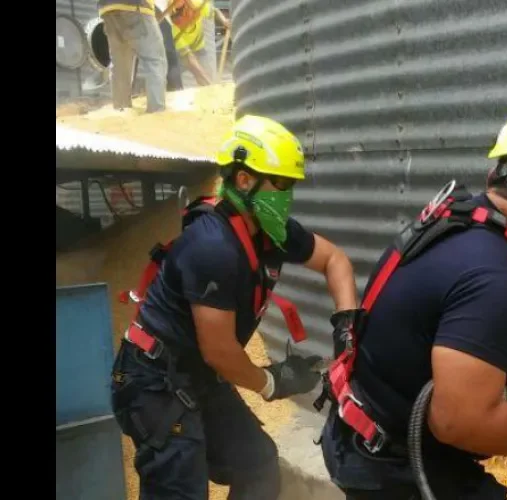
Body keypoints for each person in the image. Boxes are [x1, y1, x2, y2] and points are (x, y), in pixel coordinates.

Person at [318, 102, 507, 499]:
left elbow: (420, 326)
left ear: (495, 172)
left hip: (356, 435)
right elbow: (458, 423)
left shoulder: (450, 220)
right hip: (391, 469)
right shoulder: (496, 276)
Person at [110, 114, 359, 500]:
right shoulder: (213, 247)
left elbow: (335, 260)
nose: (288, 194)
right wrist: (272, 382)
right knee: (182, 491)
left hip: (198, 375)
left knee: (258, 463)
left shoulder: (270, 230)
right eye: (282, 184)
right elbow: (219, 350)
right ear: (244, 180)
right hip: (154, 379)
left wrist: (346, 326)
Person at [97, 0, 168, 112]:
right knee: (154, 61)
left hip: (107, 9)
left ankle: (121, 109)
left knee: (120, 65)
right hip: (136, 7)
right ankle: (156, 110)